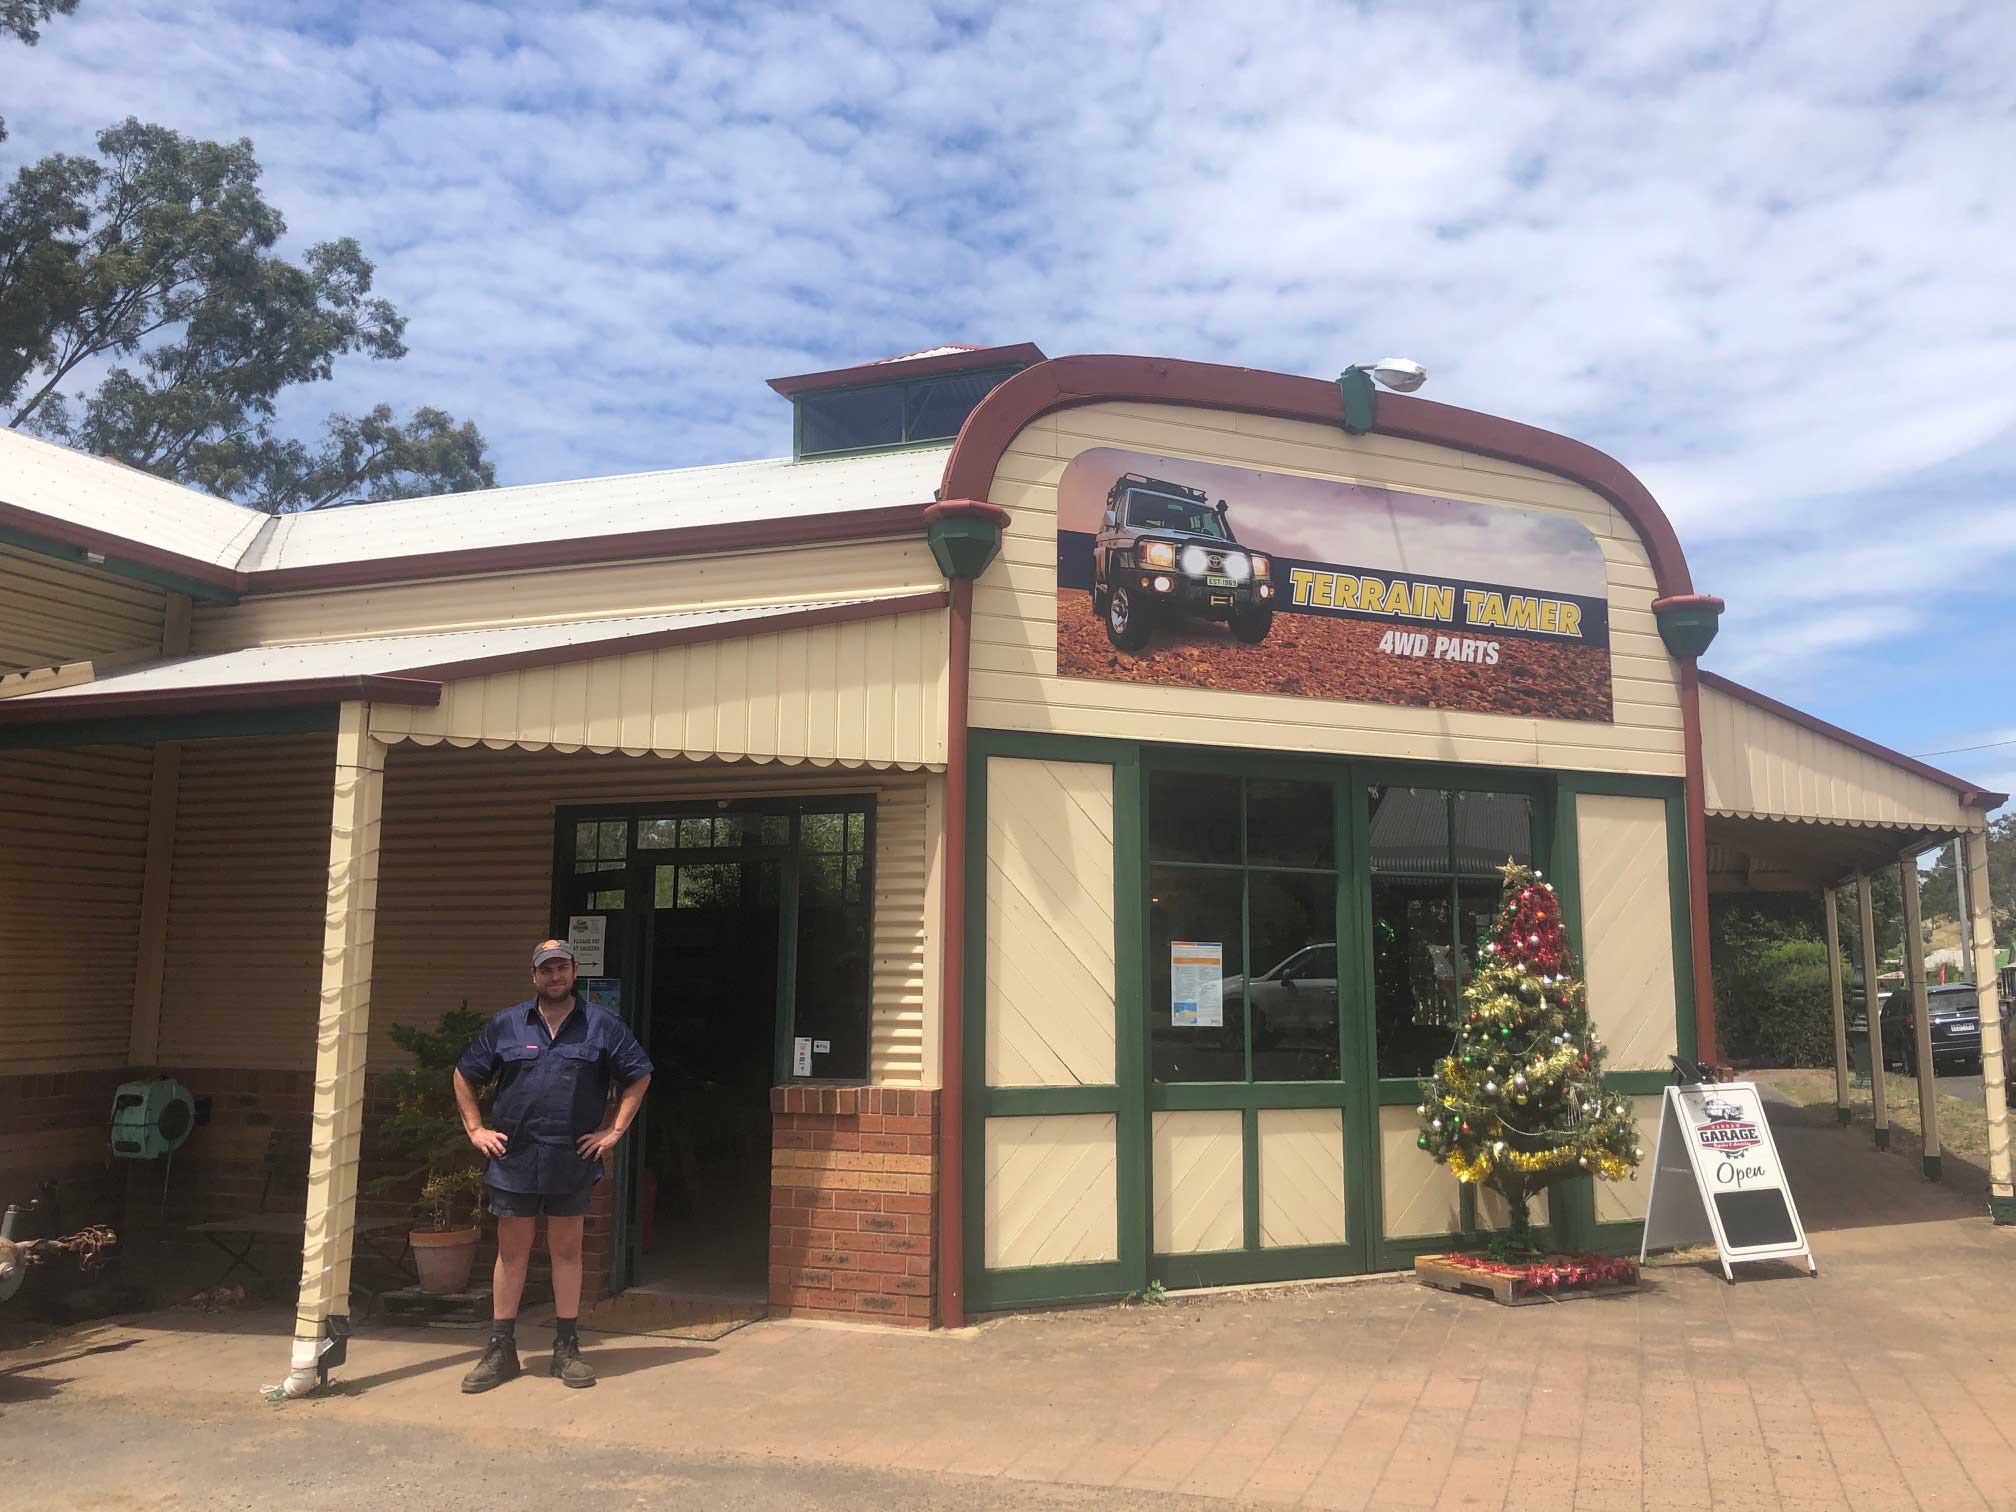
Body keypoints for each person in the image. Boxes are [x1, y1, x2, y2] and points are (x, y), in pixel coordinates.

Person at [452, 938, 652, 1392]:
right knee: (512, 1251)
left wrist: (613, 1131)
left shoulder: (603, 1025)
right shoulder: (506, 1025)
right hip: (515, 1155)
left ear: (573, 973)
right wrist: (475, 1129)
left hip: (571, 1155)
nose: (554, 976)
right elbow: (464, 1073)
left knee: (566, 1251)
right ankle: (501, 1349)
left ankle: (566, 1347)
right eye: (546, 970)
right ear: (534, 976)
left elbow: (639, 1075)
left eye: (562, 968)